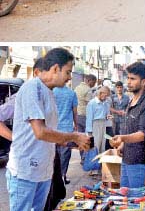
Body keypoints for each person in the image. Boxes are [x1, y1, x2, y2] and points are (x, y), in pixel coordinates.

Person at [8, 48, 91, 211]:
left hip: (43, 171)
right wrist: (74, 136)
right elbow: (41, 132)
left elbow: (50, 134)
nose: (69, 78)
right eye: (68, 72)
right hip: (25, 172)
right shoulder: (32, 88)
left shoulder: (49, 92)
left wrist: (73, 142)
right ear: (54, 69)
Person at [109, 62, 145, 189]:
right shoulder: (131, 101)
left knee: (135, 198)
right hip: (127, 157)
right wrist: (123, 145)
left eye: (133, 79)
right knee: (124, 195)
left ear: (144, 82)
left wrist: (122, 138)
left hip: (138, 160)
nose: (128, 82)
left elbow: (142, 134)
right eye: (128, 78)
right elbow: (130, 128)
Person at [53, 70, 78, 185]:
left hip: (52, 129)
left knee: (53, 154)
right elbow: (74, 112)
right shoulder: (72, 93)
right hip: (67, 129)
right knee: (65, 155)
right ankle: (63, 175)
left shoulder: (52, 91)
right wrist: (76, 126)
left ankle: (53, 177)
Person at [74, 74, 96, 161]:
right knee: (88, 137)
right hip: (85, 116)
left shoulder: (77, 88)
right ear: (89, 81)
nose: (94, 85)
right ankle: (86, 158)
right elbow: (90, 105)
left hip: (77, 115)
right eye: (93, 82)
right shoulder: (88, 90)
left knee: (80, 137)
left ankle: (82, 158)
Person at [85, 86, 111, 160]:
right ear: (100, 93)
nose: (106, 97)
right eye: (105, 95)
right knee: (95, 145)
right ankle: (94, 168)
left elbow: (106, 115)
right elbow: (89, 118)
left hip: (103, 124)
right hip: (95, 124)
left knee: (103, 145)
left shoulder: (106, 103)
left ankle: (100, 165)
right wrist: (89, 132)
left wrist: (108, 117)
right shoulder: (92, 103)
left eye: (107, 96)